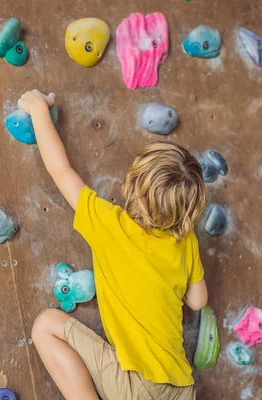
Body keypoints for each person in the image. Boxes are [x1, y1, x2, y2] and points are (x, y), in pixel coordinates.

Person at [21, 90, 208, 400]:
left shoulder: (108, 224)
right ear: (188, 213)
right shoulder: (185, 240)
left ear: (131, 184)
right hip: (180, 389)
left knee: (45, 325)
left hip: (134, 389)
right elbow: (198, 301)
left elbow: (61, 171)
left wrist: (39, 110)